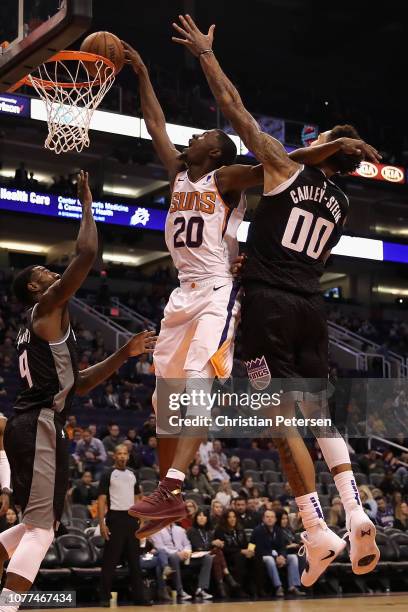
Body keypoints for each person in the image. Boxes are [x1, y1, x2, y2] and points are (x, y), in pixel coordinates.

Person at [170, 13, 381, 585]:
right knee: (318, 412)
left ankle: (316, 526)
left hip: (271, 306)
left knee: (278, 415)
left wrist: (207, 57)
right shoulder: (341, 207)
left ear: (325, 145)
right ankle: (354, 508)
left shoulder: (285, 170)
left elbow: (237, 110)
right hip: (313, 306)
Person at [122, 39, 360, 539]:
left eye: (205, 135)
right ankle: (167, 499)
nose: (194, 139)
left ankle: (172, 490)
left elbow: (282, 161)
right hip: (180, 296)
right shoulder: (179, 175)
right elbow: (155, 125)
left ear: (216, 151)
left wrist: (331, 148)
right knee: (165, 401)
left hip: (217, 291)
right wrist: (141, 72)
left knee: (194, 385)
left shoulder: (226, 179)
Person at [0, 172, 156, 610]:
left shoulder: (46, 328)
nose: (55, 273)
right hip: (39, 426)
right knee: (41, 531)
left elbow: (81, 383)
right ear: (35, 287)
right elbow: (87, 252)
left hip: (37, 424)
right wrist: (88, 203)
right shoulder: (45, 308)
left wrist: (124, 354)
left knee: (33, 524)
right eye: (46, 271)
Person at [98, 445, 150, 606]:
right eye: (119, 453)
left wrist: (141, 520)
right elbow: (101, 500)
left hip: (131, 519)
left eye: (124, 454)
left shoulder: (133, 474)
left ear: (128, 456)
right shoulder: (108, 474)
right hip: (115, 518)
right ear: (114, 456)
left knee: (135, 561)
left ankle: (139, 598)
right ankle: (104, 598)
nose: (122, 456)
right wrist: (102, 523)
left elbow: (137, 498)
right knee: (110, 561)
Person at [150, 522, 213, 600]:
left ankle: (201, 589)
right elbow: (160, 547)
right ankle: (180, 591)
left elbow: (187, 544)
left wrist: (186, 552)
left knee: (207, 558)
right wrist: (177, 553)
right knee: (174, 557)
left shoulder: (179, 529)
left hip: (184, 556)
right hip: (169, 557)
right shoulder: (156, 530)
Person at [251, 509, 304, 597]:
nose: (270, 519)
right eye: (267, 517)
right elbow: (261, 549)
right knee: (270, 559)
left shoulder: (278, 530)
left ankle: (294, 586)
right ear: (263, 519)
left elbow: (282, 547)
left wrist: (282, 556)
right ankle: (278, 587)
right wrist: (276, 557)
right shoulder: (258, 530)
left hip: (276, 556)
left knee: (293, 557)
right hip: (262, 556)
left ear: (275, 519)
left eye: (272, 517)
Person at [187, 509, 237, 598]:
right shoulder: (191, 531)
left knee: (217, 552)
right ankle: (226, 576)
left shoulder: (209, 532)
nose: (202, 518)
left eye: (204, 516)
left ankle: (213, 586)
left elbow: (209, 548)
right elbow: (198, 547)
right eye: (199, 516)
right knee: (215, 554)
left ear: (207, 518)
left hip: (208, 556)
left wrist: (218, 544)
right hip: (194, 557)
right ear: (196, 518)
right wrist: (212, 543)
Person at [214, 509, 254, 595]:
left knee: (256, 556)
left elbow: (246, 544)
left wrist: (250, 550)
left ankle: (256, 588)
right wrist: (241, 551)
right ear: (225, 519)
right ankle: (238, 589)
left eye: (234, 517)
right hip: (228, 556)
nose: (232, 519)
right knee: (239, 557)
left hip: (241, 553)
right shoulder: (220, 531)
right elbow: (224, 548)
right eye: (229, 517)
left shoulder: (240, 529)